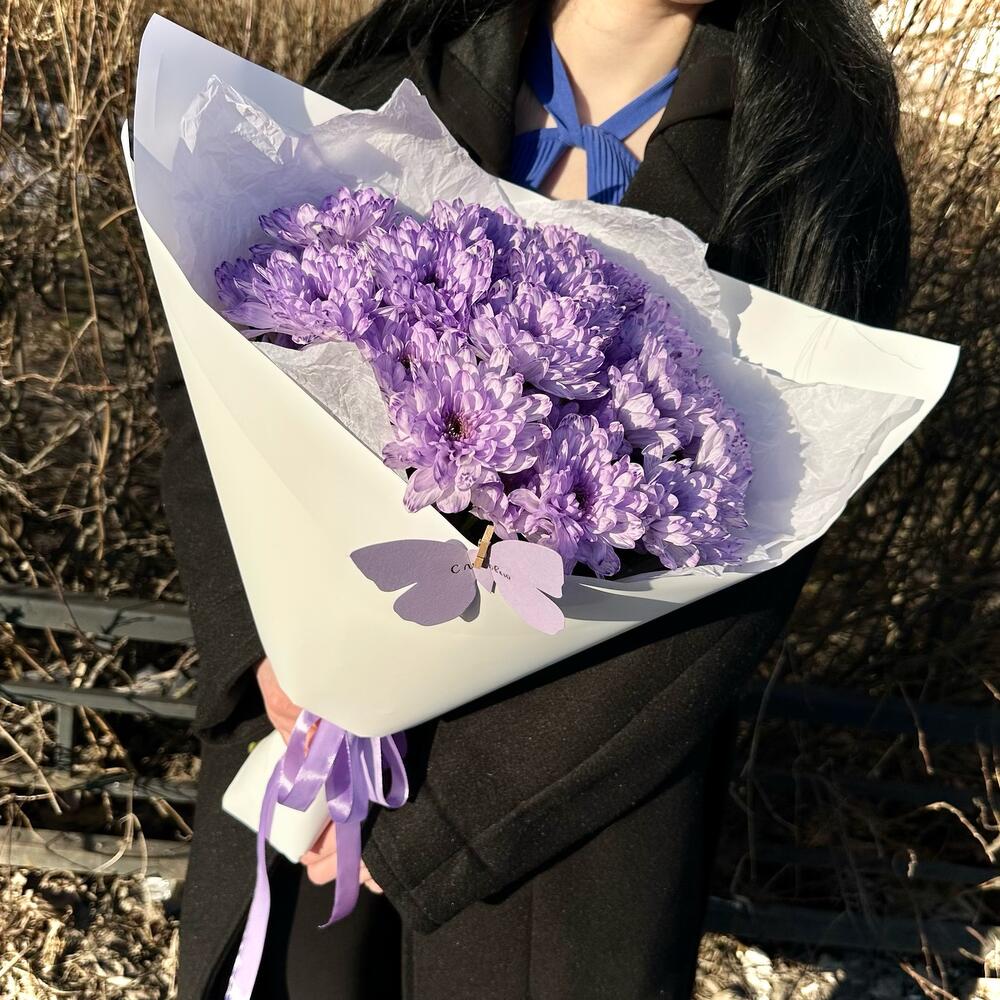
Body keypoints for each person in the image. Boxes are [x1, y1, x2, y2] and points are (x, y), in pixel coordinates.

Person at [153, 1, 910, 997]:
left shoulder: (808, 174)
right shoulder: (384, 77)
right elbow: (207, 382)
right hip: (305, 747)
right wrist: (268, 648)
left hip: (551, 830)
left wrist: (451, 823)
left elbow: (740, 584)